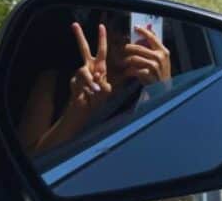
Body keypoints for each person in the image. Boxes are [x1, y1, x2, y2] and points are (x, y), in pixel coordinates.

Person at [17, 9, 171, 156]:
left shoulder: (151, 94)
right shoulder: (55, 83)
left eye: (141, 30)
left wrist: (164, 93)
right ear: (105, 21)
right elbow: (25, 165)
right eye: (124, 24)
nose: (128, 37)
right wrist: (77, 109)